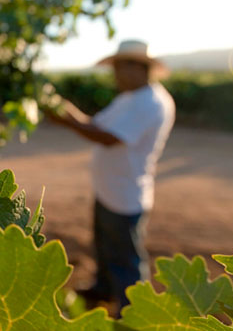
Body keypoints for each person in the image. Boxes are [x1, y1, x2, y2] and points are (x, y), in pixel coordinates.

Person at [47, 39, 175, 312]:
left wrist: (66, 119)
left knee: (126, 258)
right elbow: (97, 124)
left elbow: (108, 137)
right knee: (106, 248)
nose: (114, 75)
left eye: (118, 68)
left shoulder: (151, 103)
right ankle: (103, 289)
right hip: (111, 190)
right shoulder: (130, 97)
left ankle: (132, 311)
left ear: (138, 68)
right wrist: (68, 114)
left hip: (126, 194)